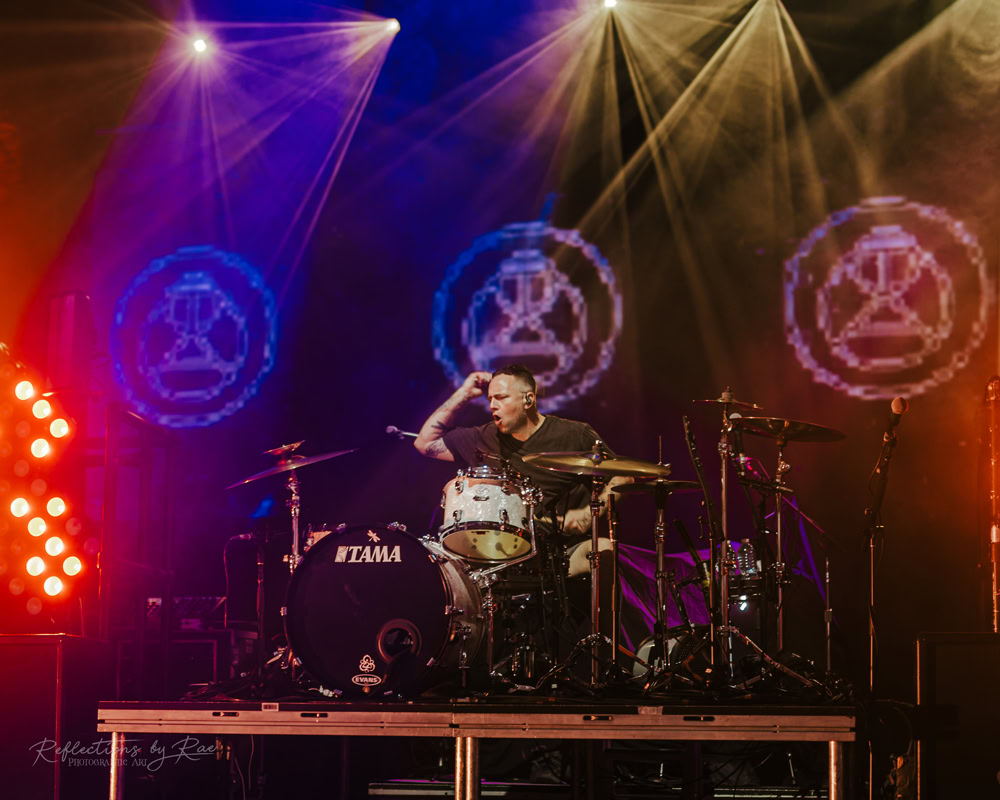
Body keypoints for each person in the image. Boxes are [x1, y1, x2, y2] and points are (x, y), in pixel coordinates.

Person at [414, 364, 622, 576]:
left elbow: (622, 475)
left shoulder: (574, 434)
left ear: (528, 400)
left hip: (557, 554)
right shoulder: (484, 436)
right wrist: (465, 393)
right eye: (490, 399)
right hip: (491, 551)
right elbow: (425, 443)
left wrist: (588, 515)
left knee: (604, 548)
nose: (492, 406)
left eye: (501, 397)